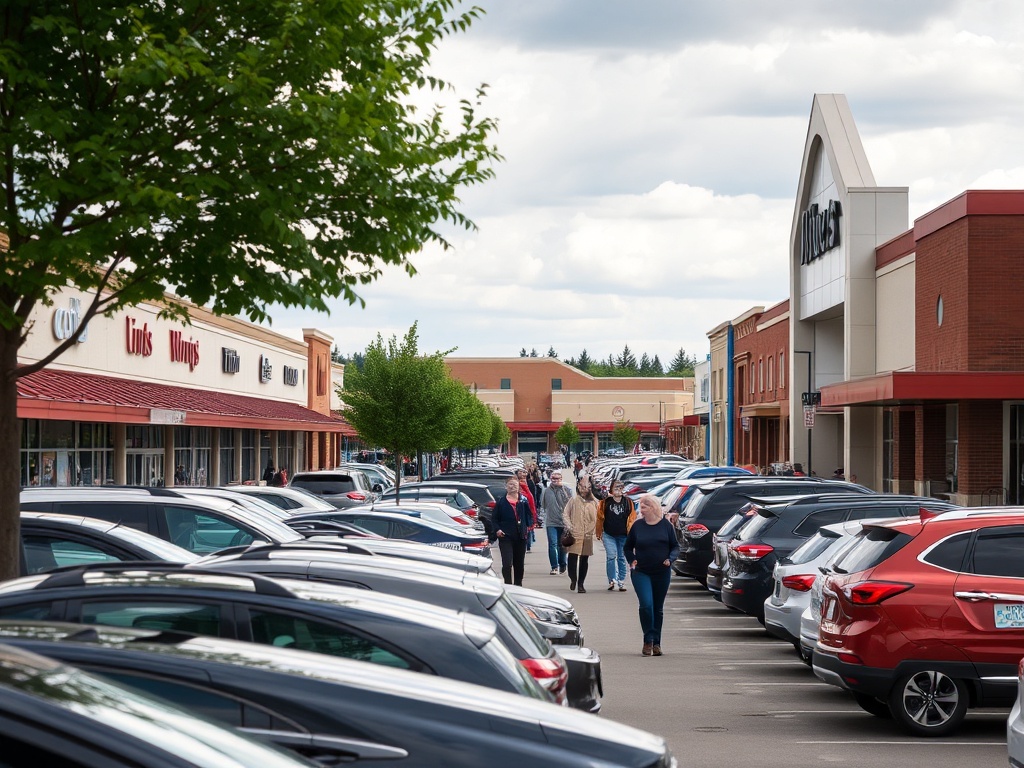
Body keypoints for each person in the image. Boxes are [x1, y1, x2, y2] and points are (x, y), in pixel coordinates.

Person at [624, 493, 679, 657]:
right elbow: (627, 547)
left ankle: (657, 643)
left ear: (653, 508)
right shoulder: (638, 526)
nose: (641, 510)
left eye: (644, 507)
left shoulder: (666, 526)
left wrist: (671, 559)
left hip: (661, 572)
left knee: (657, 608)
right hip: (641, 572)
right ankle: (648, 639)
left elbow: (675, 546)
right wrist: (632, 559)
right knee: (646, 605)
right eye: (641, 507)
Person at [491, 476, 532, 586]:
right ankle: (508, 584)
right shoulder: (501, 502)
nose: (512, 486)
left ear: (519, 487)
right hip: (506, 537)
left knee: (519, 564)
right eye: (510, 484)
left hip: (520, 536)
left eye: (515, 484)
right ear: (506, 486)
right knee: (507, 563)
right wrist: (498, 530)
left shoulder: (523, 500)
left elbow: (529, 515)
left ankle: (518, 585)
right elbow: (494, 519)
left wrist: (528, 527)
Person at [597, 480, 636, 591]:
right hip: (609, 534)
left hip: (623, 535)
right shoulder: (605, 502)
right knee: (611, 556)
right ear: (611, 490)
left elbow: (632, 518)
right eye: (616, 488)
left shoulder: (628, 502)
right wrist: (599, 532)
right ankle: (612, 580)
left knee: (621, 558)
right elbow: (600, 517)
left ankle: (621, 581)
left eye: (620, 488)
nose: (618, 490)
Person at [561, 477, 598, 593]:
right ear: (578, 486)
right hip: (574, 534)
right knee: (572, 557)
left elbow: (597, 518)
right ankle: (573, 579)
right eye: (582, 486)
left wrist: (592, 529)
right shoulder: (574, 500)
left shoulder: (594, 502)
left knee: (584, 559)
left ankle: (581, 584)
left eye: (587, 487)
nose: (584, 489)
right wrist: (570, 526)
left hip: (587, 534)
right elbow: (565, 514)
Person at [539, 469, 573, 575]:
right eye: (553, 478)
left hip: (564, 522)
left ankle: (563, 563)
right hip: (551, 522)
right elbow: (543, 505)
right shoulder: (546, 491)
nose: (555, 480)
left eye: (558, 478)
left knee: (561, 544)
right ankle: (554, 567)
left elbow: (571, 505)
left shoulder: (567, 490)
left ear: (561, 479)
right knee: (552, 544)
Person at [516, 467, 538, 552]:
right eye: (520, 472)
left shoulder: (529, 483)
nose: (523, 474)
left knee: (528, 526)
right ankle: (526, 544)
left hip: (528, 506)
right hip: (522, 508)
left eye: (524, 472)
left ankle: (528, 544)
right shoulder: (517, 484)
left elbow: (532, 496)